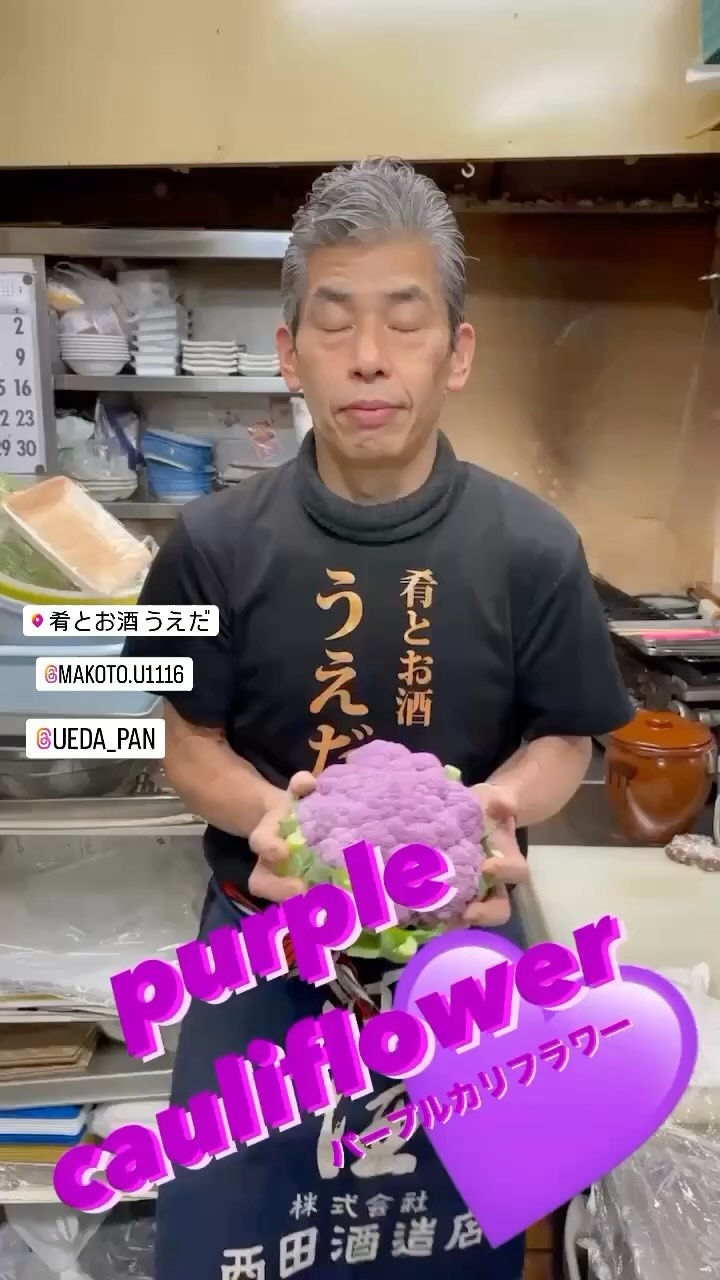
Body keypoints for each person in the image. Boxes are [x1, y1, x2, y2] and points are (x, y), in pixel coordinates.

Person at [124, 157, 633, 1280]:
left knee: (441, 1245)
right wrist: (267, 817)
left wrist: (498, 805)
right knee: (232, 1249)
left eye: (405, 323)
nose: (368, 356)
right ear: (288, 352)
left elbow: (566, 738)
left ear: (458, 352)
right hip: (260, 960)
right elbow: (181, 738)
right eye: (335, 321)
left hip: (461, 973)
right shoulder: (207, 545)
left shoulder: (535, 548)